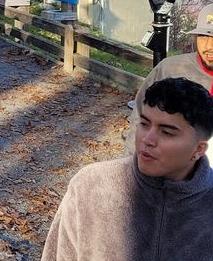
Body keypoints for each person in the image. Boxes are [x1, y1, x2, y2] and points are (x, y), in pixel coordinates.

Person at [42, 77, 213, 261]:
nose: (147, 139)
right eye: (145, 124)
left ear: (198, 150)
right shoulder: (90, 186)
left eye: (166, 132)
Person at [124, 4, 213, 159]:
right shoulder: (171, 69)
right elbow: (140, 116)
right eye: (204, 36)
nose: (210, 46)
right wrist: (129, 165)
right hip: (167, 168)